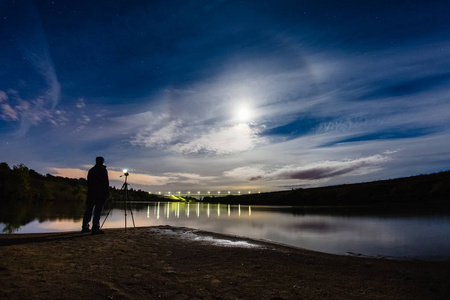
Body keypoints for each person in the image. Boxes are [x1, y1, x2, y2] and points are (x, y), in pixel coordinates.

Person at [81, 156, 110, 234]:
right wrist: (106, 193)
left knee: (89, 210)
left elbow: (89, 182)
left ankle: (85, 226)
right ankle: (95, 228)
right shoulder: (103, 170)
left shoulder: (91, 170)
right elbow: (105, 183)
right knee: (97, 211)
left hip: (91, 193)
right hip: (99, 194)